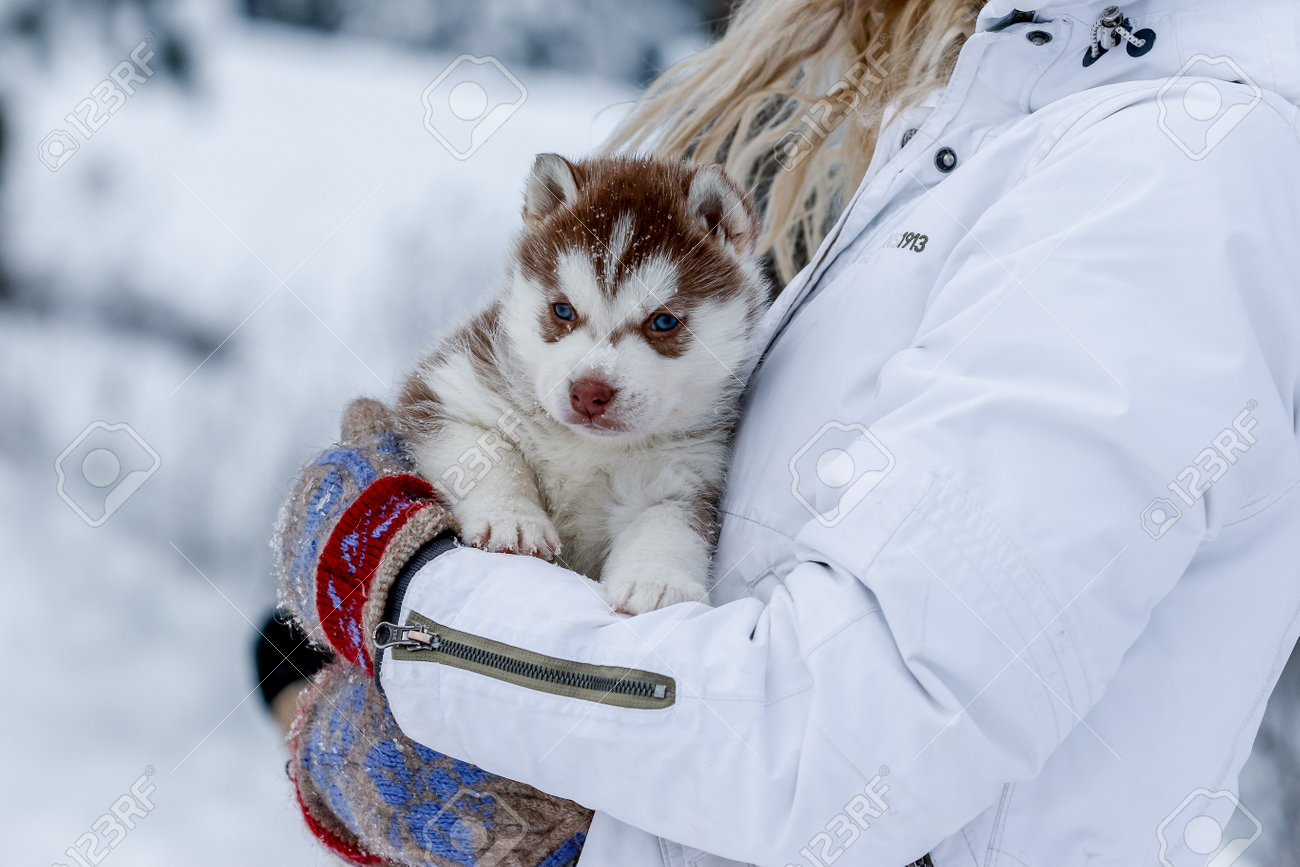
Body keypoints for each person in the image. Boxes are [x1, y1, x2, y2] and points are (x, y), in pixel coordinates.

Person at [269, 0, 1300, 864]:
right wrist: (544, 779)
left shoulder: (1162, 177)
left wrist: (416, 606)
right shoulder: (996, 119)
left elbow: (844, 743)